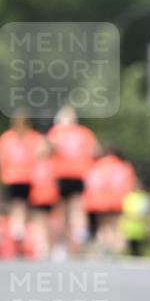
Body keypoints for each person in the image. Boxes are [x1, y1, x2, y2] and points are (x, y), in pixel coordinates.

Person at [47, 106, 98, 254]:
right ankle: (76, 239)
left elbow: (46, 151)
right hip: (79, 174)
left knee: (62, 211)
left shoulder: (56, 132)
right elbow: (95, 151)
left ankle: (62, 244)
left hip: (61, 174)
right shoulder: (85, 133)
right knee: (76, 208)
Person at [0, 113, 46, 251]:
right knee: (18, 205)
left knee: (26, 209)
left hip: (29, 178)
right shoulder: (7, 138)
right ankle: (18, 232)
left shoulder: (32, 137)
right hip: (12, 178)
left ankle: (22, 234)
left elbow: (44, 151)